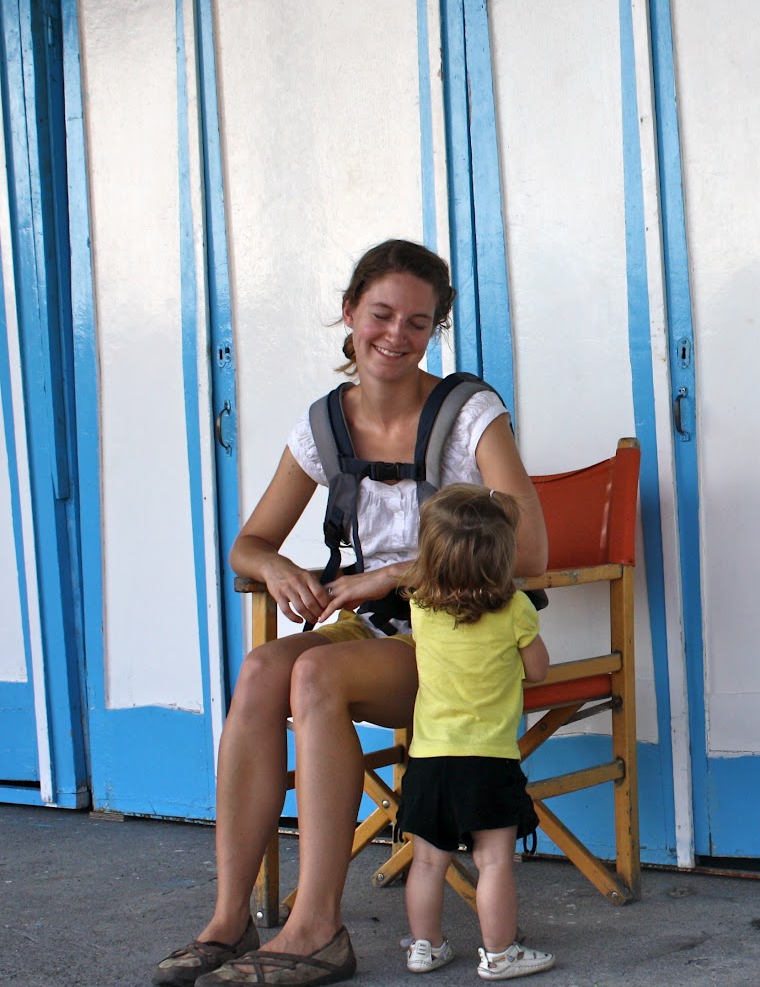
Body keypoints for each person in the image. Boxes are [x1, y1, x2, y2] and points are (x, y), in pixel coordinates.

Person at [153, 239, 548, 987]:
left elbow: (529, 551)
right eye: (381, 314)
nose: (396, 335)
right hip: (370, 630)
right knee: (262, 670)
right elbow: (248, 544)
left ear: (435, 330)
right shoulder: (323, 428)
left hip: (455, 637)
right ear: (349, 312)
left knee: (316, 676)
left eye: (418, 322)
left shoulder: (470, 413)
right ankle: (230, 919)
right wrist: (277, 567)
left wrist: (392, 575)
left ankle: (316, 927)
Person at [396, 484, 553, 980]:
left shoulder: (420, 608)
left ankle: (425, 947)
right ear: (501, 556)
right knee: (494, 862)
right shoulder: (515, 608)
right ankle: (500, 954)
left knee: (427, 862)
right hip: (488, 760)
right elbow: (539, 671)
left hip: (429, 759)